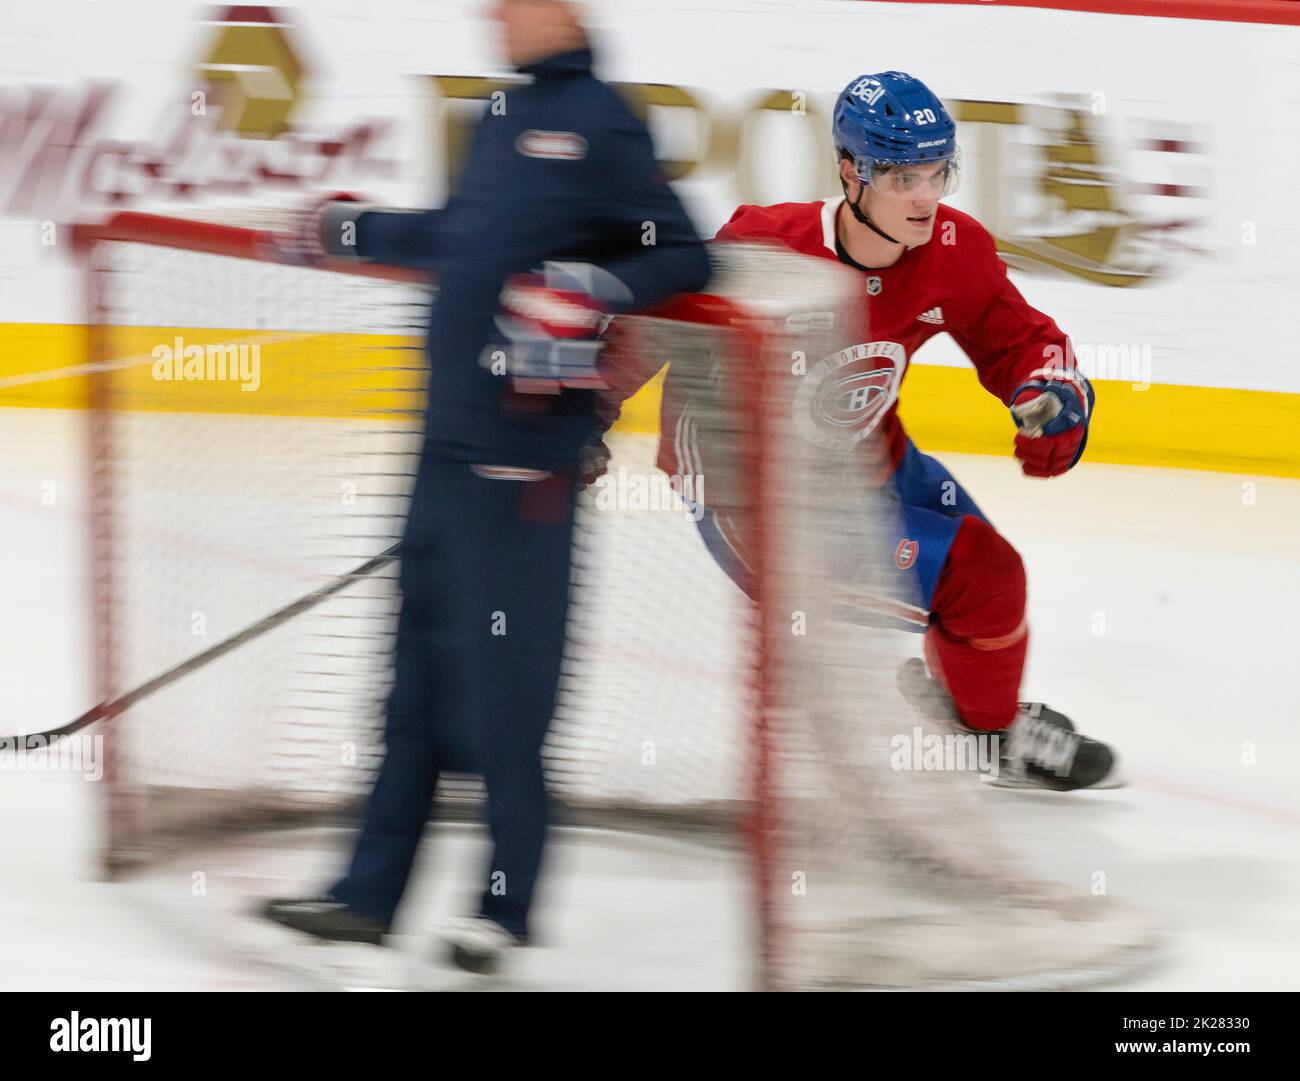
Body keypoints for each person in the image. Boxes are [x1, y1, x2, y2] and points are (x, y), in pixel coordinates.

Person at [261, 0, 710, 973]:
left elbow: (682, 249)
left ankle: (503, 909)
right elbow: (460, 238)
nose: (493, 14)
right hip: (442, 448)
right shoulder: (499, 117)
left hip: (525, 461)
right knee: (412, 685)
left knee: (508, 696)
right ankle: (365, 894)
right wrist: (346, 230)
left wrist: (591, 286)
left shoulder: (606, 117)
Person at [621, 71, 1115, 791]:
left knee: (994, 580)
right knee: (983, 579)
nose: (925, 196)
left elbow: (1020, 341)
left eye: (937, 171)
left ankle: (977, 714)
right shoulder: (765, 245)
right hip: (759, 502)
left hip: (872, 457)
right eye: (901, 174)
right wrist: (583, 413)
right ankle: (988, 730)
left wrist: (1051, 391)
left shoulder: (953, 248)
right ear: (850, 172)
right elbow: (655, 335)